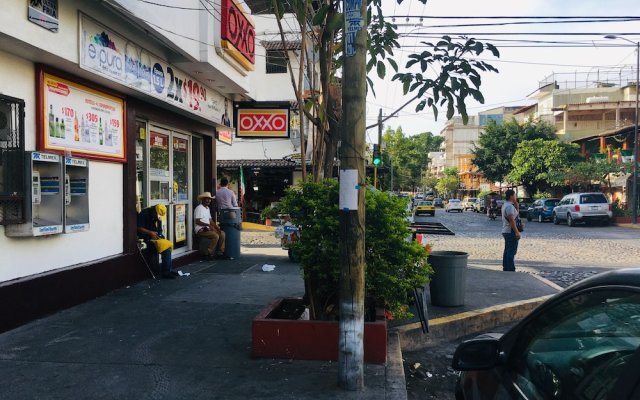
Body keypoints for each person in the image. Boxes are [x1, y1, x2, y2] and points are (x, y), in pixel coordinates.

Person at [137, 204, 178, 279]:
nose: (157, 216)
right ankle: (166, 272)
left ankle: (168, 270)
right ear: (154, 211)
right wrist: (150, 233)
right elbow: (139, 228)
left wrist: (160, 234)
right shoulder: (144, 213)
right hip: (145, 238)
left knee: (167, 247)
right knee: (166, 250)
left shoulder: (156, 215)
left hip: (154, 237)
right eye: (157, 214)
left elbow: (159, 228)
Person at [194, 191, 229, 259]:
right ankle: (208, 253)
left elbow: (211, 221)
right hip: (200, 229)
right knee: (215, 235)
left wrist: (217, 228)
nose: (208, 200)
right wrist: (208, 225)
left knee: (222, 233)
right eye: (207, 199)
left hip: (208, 228)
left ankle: (220, 252)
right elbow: (197, 221)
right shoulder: (199, 208)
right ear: (203, 199)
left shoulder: (207, 208)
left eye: (209, 199)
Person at [501, 189, 521, 272]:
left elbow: (516, 215)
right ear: (511, 196)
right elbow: (512, 220)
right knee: (511, 251)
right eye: (515, 195)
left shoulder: (506, 205)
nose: (516, 196)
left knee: (507, 250)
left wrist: (517, 206)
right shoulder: (509, 206)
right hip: (510, 231)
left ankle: (506, 267)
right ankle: (510, 269)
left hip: (506, 230)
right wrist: (517, 232)